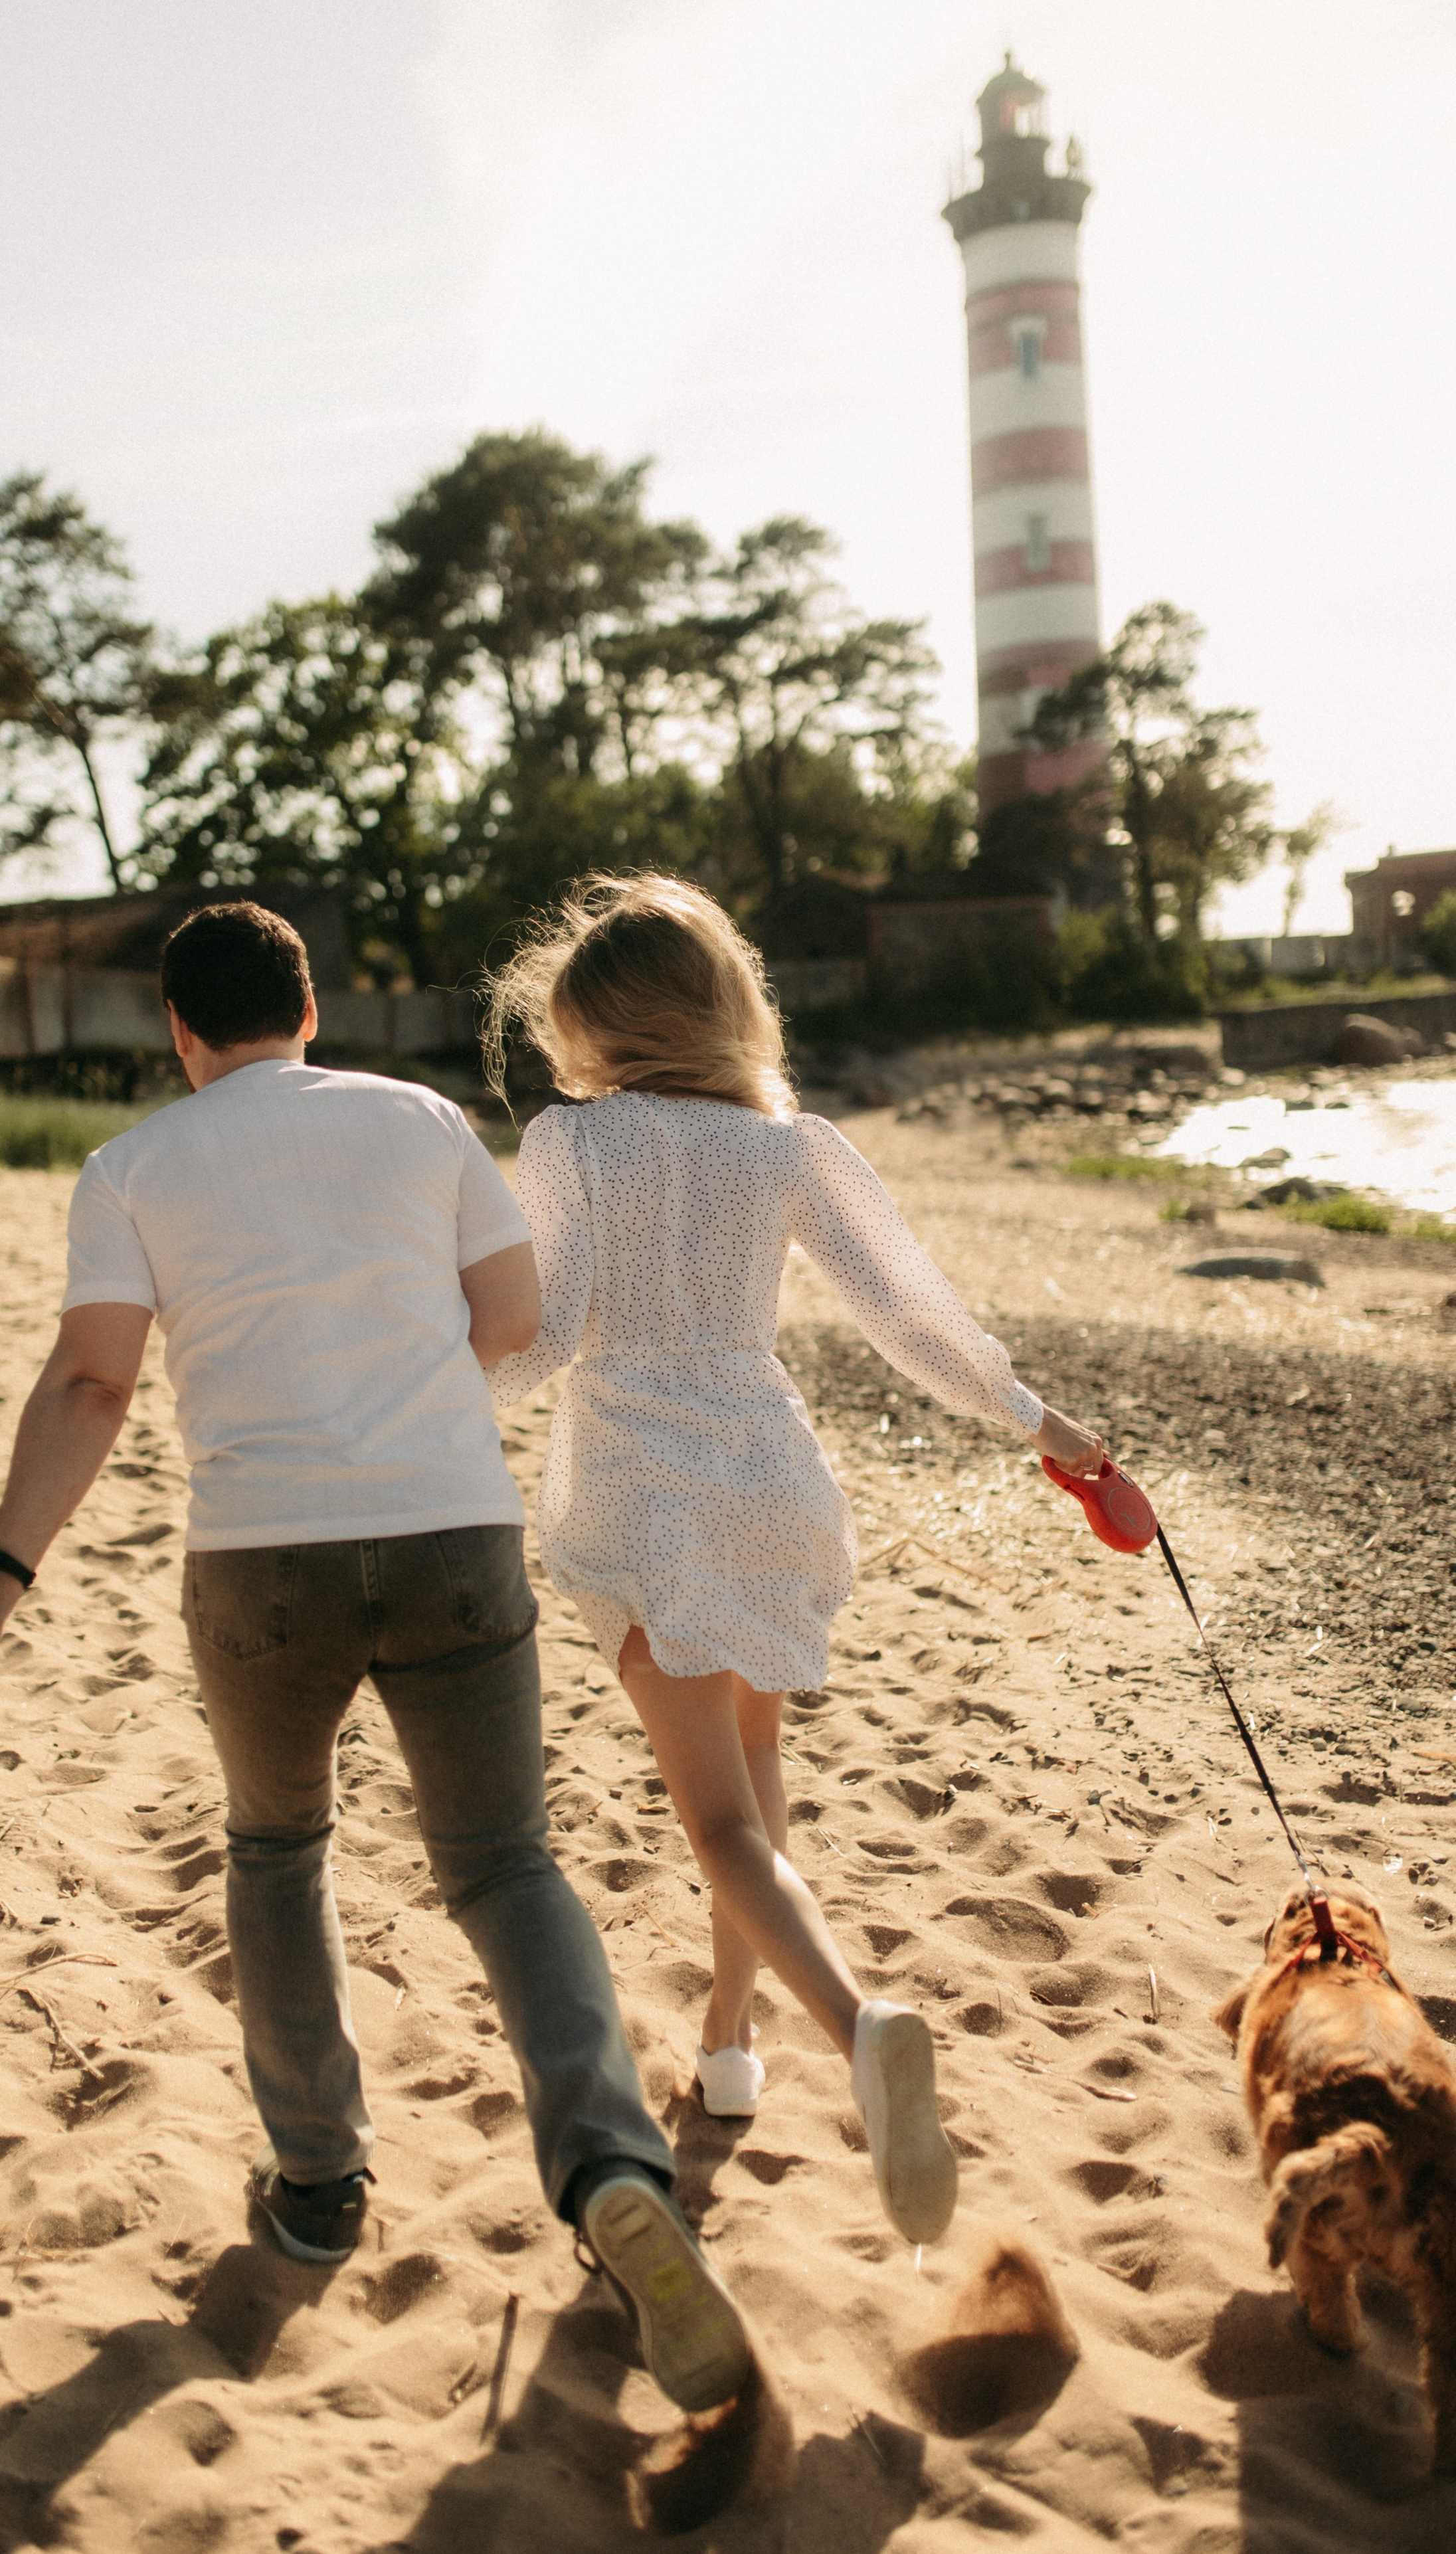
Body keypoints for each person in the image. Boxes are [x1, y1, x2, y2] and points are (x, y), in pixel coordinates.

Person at [0, 901, 757, 2422]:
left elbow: (94, 1382)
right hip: (449, 1538)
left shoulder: (133, 1167)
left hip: (258, 1562)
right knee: (504, 1865)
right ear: (312, 1008)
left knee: (278, 1848)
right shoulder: (422, 1120)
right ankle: (614, 2165)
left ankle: (314, 2188)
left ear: (179, 1031)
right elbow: (511, 1318)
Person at [484, 875, 1106, 2246]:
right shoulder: (787, 1145)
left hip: (652, 1505)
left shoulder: (575, 1146)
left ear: (596, 1032)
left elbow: (542, 1336)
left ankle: (856, 2020)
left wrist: (412, 1393)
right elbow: (907, 1312)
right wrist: (1042, 1428)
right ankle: (725, 2047)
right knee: (755, 1819)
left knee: (717, 1831)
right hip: (769, 1484)